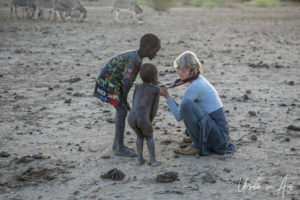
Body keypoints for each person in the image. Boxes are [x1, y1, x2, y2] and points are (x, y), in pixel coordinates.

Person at [93, 33, 161, 157]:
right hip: (108, 83)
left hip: (112, 83)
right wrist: (124, 101)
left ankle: (117, 144)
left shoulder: (137, 57)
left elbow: (126, 83)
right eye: (155, 51)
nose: (155, 54)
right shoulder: (135, 60)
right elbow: (125, 84)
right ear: (148, 48)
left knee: (122, 110)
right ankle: (119, 147)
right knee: (122, 111)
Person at [160, 51, 235, 155]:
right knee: (186, 105)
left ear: (190, 69)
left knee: (186, 104)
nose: (178, 72)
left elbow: (178, 115)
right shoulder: (199, 80)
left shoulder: (195, 86)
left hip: (219, 140)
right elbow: (182, 110)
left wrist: (167, 96)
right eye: (178, 69)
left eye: (181, 69)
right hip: (221, 135)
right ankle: (194, 137)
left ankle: (196, 145)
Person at [127, 63, 160, 166]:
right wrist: (149, 120)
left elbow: (133, 102)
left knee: (139, 136)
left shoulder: (137, 87)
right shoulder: (156, 89)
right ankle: (153, 160)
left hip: (131, 117)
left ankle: (140, 159)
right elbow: (154, 108)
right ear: (155, 77)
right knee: (149, 137)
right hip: (143, 118)